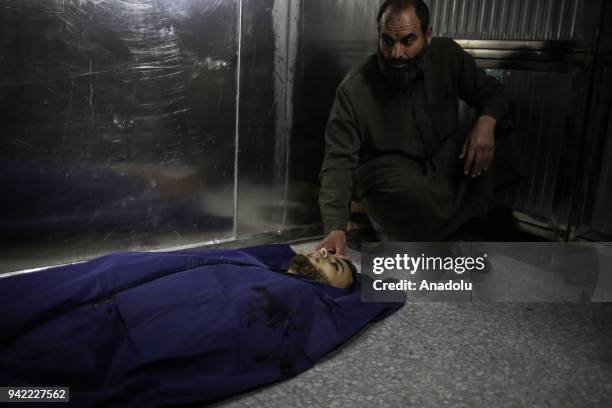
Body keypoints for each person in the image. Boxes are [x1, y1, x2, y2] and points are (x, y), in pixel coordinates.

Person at [0, 244, 398, 406]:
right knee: (38, 301)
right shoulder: (264, 263)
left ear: (338, 293)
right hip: (111, 287)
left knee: (36, 382)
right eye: (329, 252)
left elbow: (388, 291)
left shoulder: (308, 305)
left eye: (335, 263)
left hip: (122, 336)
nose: (326, 252)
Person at [317, 0, 521, 257]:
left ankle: (421, 229)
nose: (396, 53)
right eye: (387, 40)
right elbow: (338, 162)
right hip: (389, 172)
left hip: (440, 159)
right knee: (418, 195)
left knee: (500, 130)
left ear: (428, 35)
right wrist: (335, 227)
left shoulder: (447, 55)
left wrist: (486, 122)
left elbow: (494, 94)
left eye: (407, 41)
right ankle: (386, 220)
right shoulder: (354, 89)